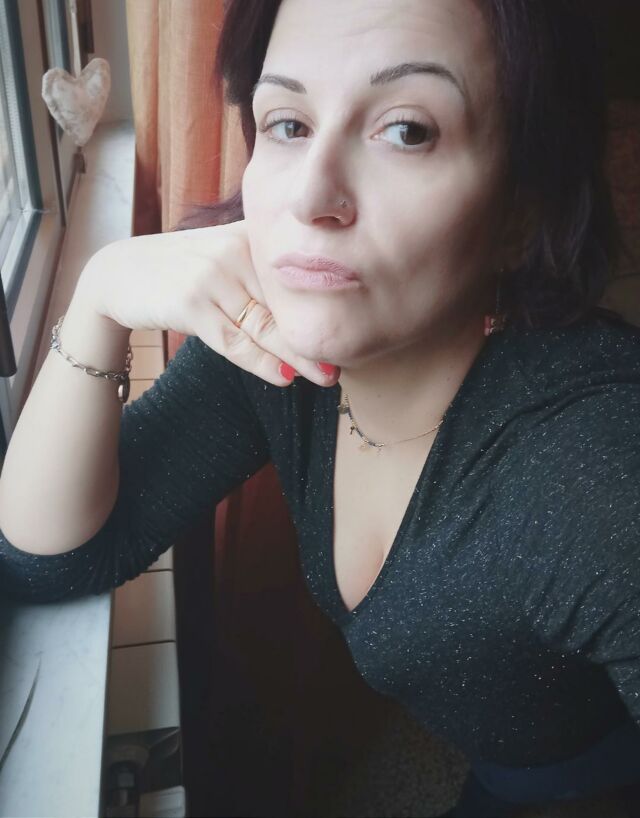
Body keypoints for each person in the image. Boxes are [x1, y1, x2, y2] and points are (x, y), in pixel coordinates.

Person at [1, 0, 639, 815]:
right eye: (288, 123)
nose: (311, 197)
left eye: (407, 130)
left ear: (522, 210)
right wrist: (99, 293)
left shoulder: (596, 472)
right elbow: (53, 558)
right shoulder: (275, 353)